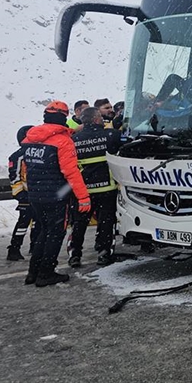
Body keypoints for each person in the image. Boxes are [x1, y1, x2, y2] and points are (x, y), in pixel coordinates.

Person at [22, 101, 90, 287]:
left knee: (44, 231)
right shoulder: (62, 141)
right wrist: (83, 197)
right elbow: (71, 172)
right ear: (63, 117)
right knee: (55, 233)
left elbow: (28, 167)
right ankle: (46, 273)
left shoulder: (30, 139)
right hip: (56, 196)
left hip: (35, 195)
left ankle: (33, 272)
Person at [68, 107, 124, 267]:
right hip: (107, 188)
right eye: (100, 117)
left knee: (78, 224)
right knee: (106, 222)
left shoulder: (74, 140)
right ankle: (104, 253)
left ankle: (75, 255)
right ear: (95, 120)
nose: (102, 119)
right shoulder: (111, 135)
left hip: (82, 192)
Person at [6, 125, 36, 261]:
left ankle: (35, 246)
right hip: (24, 194)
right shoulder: (18, 156)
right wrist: (20, 194)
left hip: (37, 194)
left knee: (38, 221)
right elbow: (14, 177)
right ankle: (14, 248)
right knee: (23, 222)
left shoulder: (37, 152)